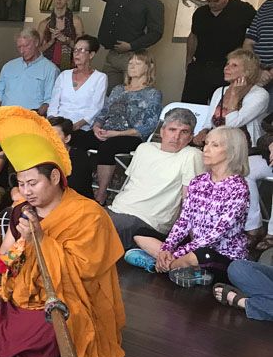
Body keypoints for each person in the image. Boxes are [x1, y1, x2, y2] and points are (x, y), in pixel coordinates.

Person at [0, 106, 125, 357]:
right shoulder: (21, 211)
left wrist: (41, 239)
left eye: (32, 183)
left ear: (54, 177)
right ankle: (10, 338)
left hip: (65, 300)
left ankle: (10, 336)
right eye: (21, 184)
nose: (25, 191)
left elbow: (84, 272)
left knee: (52, 327)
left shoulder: (89, 215)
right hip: (19, 294)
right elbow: (8, 257)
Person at [124, 126, 251, 286]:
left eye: (215, 145)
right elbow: (184, 221)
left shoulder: (238, 188)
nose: (206, 149)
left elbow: (215, 235)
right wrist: (167, 248)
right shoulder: (199, 182)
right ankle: (178, 267)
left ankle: (160, 266)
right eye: (206, 143)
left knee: (199, 256)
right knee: (140, 233)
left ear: (232, 152)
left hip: (221, 255)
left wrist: (176, 253)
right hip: (193, 246)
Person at [70, 51, 162, 204]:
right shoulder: (118, 89)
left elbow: (148, 126)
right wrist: (96, 127)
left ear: (148, 67)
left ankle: (101, 193)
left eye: (138, 63)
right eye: (130, 63)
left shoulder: (152, 94)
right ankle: (80, 188)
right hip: (106, 132)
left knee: (108, 147)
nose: (132, 66)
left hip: (130, 136)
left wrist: (115, 134)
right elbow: (104, 112)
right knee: (76, 138)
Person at [105, 107, 204, 248]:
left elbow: (190, 202)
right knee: (79, 219)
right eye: (172, 130)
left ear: (191, 137)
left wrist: (189, 242)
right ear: (162, 131)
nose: (176, 137)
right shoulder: (145, 148)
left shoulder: (191, 155)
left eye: (184, 132)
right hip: (116, 209)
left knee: (95, 232)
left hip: (147, 221)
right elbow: (128, 186)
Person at [183, 0, 256, 104]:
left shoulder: (243, 10)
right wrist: (188, 59)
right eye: (209, 0)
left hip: (227, 69)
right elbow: (193, 36)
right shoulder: (200, 13)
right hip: (200, 66)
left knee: (222, 109)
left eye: (216, 0)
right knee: (190, 107)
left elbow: (255, 35)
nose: (212, 4)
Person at [91, 0, 164, 92]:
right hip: (112, 54)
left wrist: (132, 46)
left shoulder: (153, 3)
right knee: (108, 93)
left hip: (133, 56)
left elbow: (156, 33)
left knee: (132, 94)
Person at [195, 49, 269, 148]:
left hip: (244, 149)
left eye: (234, 65)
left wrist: (234, 96)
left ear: (248, 71)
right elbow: (209, 122)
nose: (226, 68)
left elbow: (232, 125)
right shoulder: (219, 91)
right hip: (216, 145)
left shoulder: (260, 95)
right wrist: (203, 132)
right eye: (227, 64)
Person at [46, 35, 108, 133]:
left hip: (81, 127)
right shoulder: (64, 75)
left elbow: (96, 108)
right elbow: (53, 104)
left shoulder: (100, 78)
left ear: (91, 54)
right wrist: (52, 122)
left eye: (81, 50)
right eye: (75, 50)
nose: (76, 54)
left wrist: (77, 125)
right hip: (58, 125)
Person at [0, 28, 59, 115]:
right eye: (19, 47)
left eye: (26, 46)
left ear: (36, 43)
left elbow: (49, 101)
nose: (22, 51)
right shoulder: (8, 66)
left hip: (31, 119)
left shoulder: (50, 69)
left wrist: (35, 117)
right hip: (5, 117)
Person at [39, 0, 86, 70]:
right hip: (47, 68)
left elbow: (82, 50)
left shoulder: (76, 21)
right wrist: (50, 42)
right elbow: (37, 51)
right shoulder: (44, 23)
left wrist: (66, 40)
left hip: (70, 68)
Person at [244, 0, 273, 110]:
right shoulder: (266, 6)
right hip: (257, 74)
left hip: (269, 74)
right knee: (251, 115)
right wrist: (256, 69)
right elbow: (248, 42)